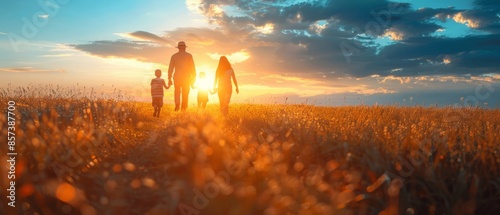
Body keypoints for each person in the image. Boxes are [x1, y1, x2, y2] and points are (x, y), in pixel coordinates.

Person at [168, 41, 196, 111]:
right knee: (185, 93)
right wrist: (193, 79)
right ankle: (184, 107)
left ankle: (177, 105)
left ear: (178, 48)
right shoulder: (189, 56)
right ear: (184, 47)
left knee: (177, 92)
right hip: (187, 77)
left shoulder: (174, 56)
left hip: (177, 77)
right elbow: (192, 68)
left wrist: (169, 78)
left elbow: (170, 68)